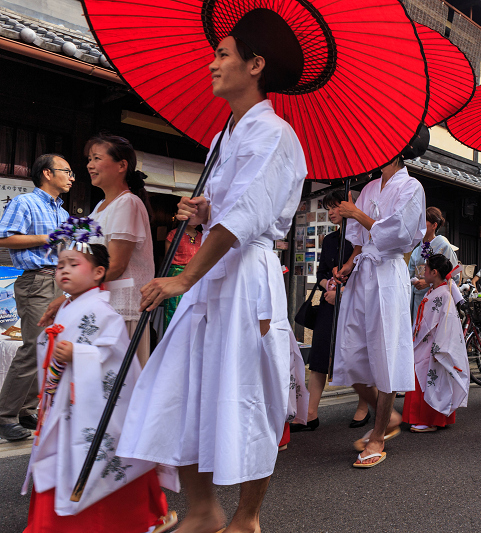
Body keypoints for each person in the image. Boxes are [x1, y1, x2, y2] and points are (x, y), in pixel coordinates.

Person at [117, 11, 308, 533]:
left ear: (256, 64)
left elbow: (248, 214)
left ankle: (247, 517)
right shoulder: (225, 139)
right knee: (181, 383)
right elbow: (229, 209)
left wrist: (183, 277)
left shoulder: (274, 133)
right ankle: (203, 509)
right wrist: (202, 211)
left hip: (244, 277)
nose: (213, 63)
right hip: (212, 273)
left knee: (248, 388)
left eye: (223, 54)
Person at [22, 223, 176, 533]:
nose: (63, 270)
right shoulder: (67, 306)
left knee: (98, 456)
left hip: (89, 405)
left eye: (73, 264)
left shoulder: (103, 311)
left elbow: (113, 355)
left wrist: (77, 354)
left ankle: (124, 521)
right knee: (65, 456)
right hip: (67, 403)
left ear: (98, 273)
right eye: (59, 265)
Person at [331, 135, 427, 468]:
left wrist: (356, 212)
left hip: (388, 273)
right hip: (363, 273)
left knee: (387, 352)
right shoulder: (371, 187)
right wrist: (345, 268)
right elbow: (360, 242)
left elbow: (398, 235)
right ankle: (387, 417)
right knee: (350, 350)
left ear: (400, 151)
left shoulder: (411, 187)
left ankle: (377, 435)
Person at [39, 134, 155, 368]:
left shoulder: (128, 204)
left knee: (111, 385)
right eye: (89, 159)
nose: (89, 165)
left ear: (122, 165)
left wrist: (69, 296)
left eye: (97, 158)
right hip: (100, 304)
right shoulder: (101, 206)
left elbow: (116, 265)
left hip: (119, 309)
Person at [0, 154, 71, 442]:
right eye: (66, 171)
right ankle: (4, 415)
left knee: (49, 347)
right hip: (37, 280)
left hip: (59, 281)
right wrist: (46, 238)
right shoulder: (24, 202)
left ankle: (26, 409)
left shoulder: (64, 212)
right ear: (47, 173)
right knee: (33, 347)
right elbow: (4, 238)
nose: (72, 177)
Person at [291, 189, 371, 432]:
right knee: (319, 354)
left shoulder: (363, 239)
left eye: (336, 207)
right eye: (328, 209)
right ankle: (311, 412)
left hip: (356, 304)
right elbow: (322, 272)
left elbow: (365, 272)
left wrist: (343, 292)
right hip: (329, 302)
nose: (332, 213)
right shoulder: (329, 240)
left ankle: (364, 406)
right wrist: (329, 284)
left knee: (358, 353)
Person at [402, 254, 469, 432]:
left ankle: (430, 419)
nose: (423, 271)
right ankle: (424, 417)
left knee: (428, 379)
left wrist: (440, 349)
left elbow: (448, 325)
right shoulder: (435, 290)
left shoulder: (444, 294)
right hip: (426, 341)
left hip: (435, 344)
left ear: (434, 272)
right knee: (424, 378)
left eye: (426, 268)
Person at [408, 207, 459, 322]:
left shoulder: (444, 246)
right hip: (418, 299)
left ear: (434, 225)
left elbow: (455, 273)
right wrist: (413, 281)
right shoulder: (416, 251)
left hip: (437, 298)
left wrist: (428, 282)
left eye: (423, 222)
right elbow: (409, 275)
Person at [163, 224, 202, 329]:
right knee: (174, 310)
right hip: (176, 274)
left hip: (196, 276)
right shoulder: (174, 234)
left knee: (194, 311)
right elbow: (168, 259)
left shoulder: (202, 236)